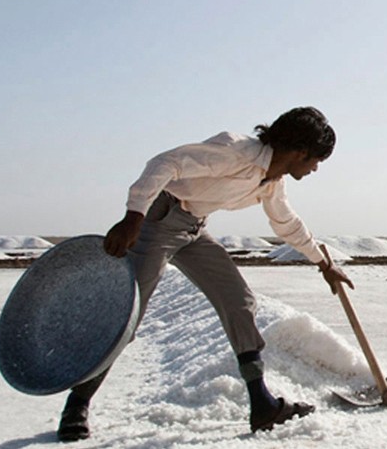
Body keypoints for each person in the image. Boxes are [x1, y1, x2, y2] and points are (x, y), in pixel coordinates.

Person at [57, 106, 355, 442]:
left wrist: (324, 264)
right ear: (300, 151)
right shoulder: (236, 152)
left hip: (193, 229)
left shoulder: (271, 182)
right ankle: (77, 404)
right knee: (128, 313)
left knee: (239, 302)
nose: (315, 168)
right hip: (160, 221)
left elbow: (287, 223)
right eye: (315, 160)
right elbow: (164, 163)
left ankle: (262, 405)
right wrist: (133, 216)